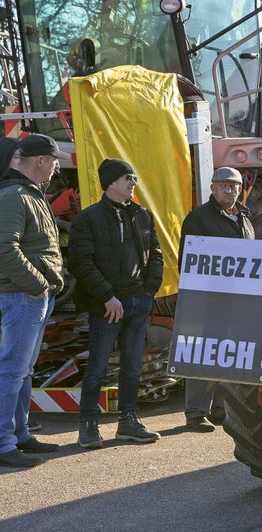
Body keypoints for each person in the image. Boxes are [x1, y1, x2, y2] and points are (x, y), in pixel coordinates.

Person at [68, 159, 163, 448]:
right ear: (110, 183)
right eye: (127, 178)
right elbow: (80, 263)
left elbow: (155, 255)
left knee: (132, 366)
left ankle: (128, 422)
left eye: (133, 178)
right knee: (96, 367)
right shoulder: (88, 219)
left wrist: (148, 293)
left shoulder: (142, 215)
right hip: (105, 306)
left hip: (137, 302)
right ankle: (88, 426)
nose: (133, 183)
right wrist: (107, 296)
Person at [0, 134, 67, 468]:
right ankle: (4, 443)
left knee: (22, 371)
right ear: (40, 160)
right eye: (55, 160)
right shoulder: (15, 196)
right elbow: (5, 248)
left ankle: (20, 435)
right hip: (22, 296)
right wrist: (38, 283)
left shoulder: (30, 195)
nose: (57, 167)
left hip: (31, 296)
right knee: (12, 370)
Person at [177, 167, 254, 432]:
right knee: (206, 353)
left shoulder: (244, 218)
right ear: (212, 188)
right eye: (223, 185)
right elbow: (187, 261)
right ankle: (196, 412)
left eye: (234, 186)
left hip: (240, 301)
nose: (229, 190)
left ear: (240, 190)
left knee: (230, 354)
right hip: (210, 299)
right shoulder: (199, 219)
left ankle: (221, 408)